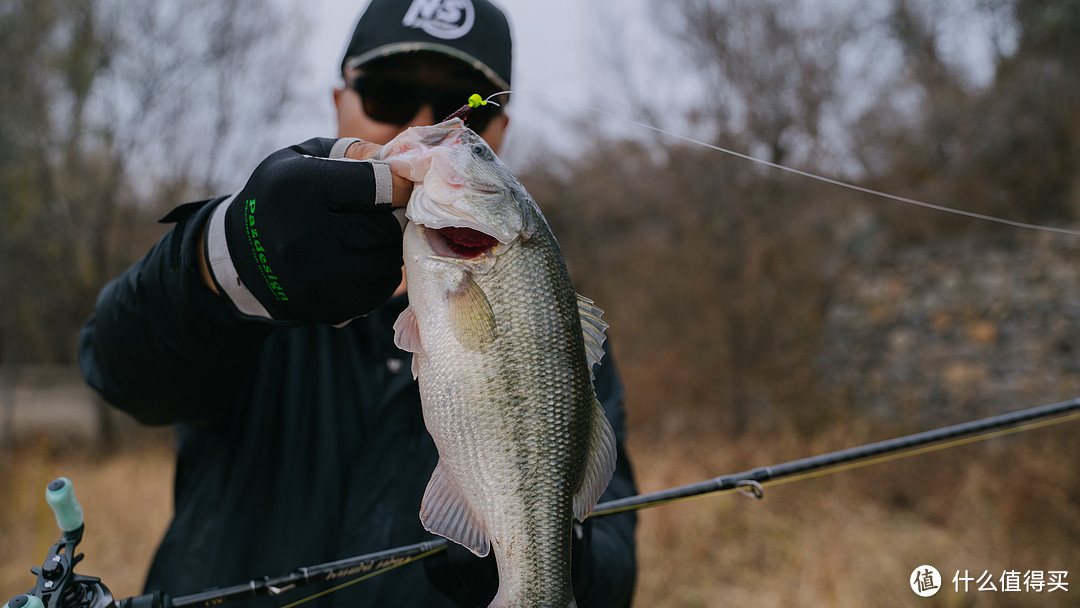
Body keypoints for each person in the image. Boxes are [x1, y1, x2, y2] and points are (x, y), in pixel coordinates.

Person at [78, 1, 637, 607]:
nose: (424, 123)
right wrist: (230, 260)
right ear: (339, 99)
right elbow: (117, 369)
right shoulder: (251, 278)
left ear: (499, 130)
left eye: (465, 104)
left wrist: (549, 550)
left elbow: (614, 569)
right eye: (389, 95)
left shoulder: (554, 337)